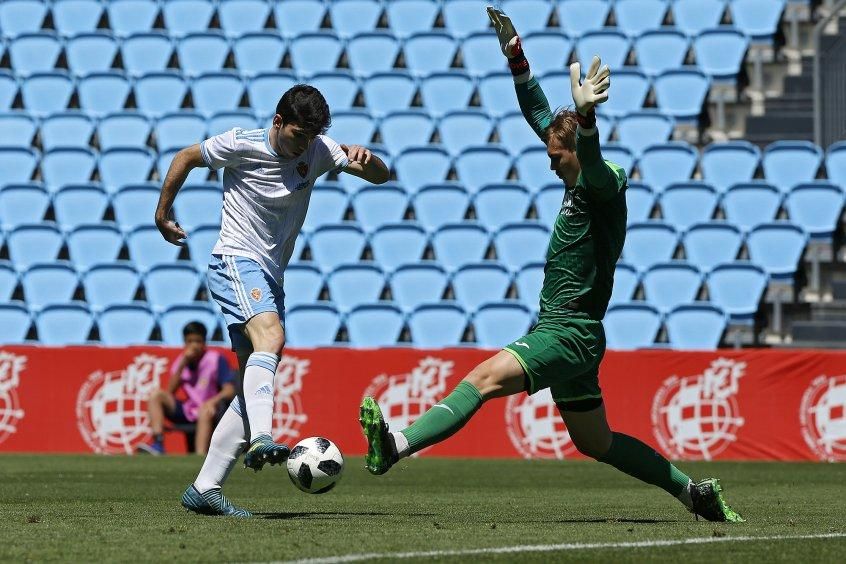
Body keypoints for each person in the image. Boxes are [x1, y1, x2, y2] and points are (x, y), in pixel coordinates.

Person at [358, 7, 744, 523]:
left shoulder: (602, 185)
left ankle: (396, 445)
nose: (548, 159)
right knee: (596, 441)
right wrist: (516, 56)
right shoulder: (576, 174)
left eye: (556, 154)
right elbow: (539, 113)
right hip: (576, 334)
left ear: (579, 153)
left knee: (483, 378)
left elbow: (588, 151)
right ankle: (692, 493)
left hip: (568, 332)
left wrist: (587, 121)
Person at [155, 85, 390, 517]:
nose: (303, 145)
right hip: (235, 259)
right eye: (298, 135)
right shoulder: (241, 143)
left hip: (270, 275)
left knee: (251, 383)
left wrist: (367, 160)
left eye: (310, 138)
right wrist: (162, 213)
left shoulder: (318, 149)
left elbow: (381, 177)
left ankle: (205, 488)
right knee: (273, 337)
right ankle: (263, 436)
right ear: (278, 122)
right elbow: (186, 156)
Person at [137, 321, 236, 456]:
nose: (194, 345)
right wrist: (184, 362)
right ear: (184, 342)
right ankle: (158, 444)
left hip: (211, 409)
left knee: (205, 411)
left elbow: (229, 390)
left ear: (204, 342)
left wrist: (213, 401)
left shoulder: (216, 359)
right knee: (156, 396)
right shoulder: (181, 361)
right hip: (188, 409)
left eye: (197, 341)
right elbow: (170, 392)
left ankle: (200, 455)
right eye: (189, 341)